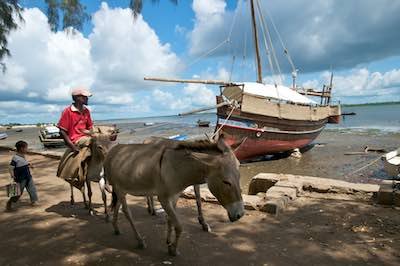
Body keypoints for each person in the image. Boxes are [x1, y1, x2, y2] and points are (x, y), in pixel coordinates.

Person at [57, 87, 94, 152]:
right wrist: (72, 146)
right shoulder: (68, 111)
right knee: (92, 141)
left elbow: (90, 127)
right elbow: (62, 131)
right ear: (77, 98)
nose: (87, 98)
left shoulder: (86, 111)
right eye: (85, 97)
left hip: (86, 137)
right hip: (76, 140)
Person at [6, 141, 39, 211]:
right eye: (26, 148)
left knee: (32, 189)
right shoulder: (15, 158)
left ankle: (34, 201)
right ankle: (10, 202)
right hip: (20, 178)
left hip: (28, 176)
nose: (27, 149)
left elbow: (24, 162)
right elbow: (11, 167)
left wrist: (29, 164)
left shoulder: (22, 156)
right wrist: (12, 175)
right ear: (21, 148)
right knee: (18, 192)